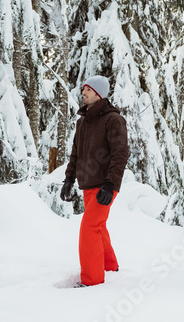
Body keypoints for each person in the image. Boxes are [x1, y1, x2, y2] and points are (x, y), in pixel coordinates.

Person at [60, 75, 129, 288]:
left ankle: (92, 280)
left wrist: (111, 184)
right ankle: (110, 266)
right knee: (97, 226)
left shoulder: (113, 120)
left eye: (88, 90)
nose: (83, 93)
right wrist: (69, 179)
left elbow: (120, 154)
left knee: (89, 228)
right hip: (88, 184)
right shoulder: (83, 122)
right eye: (83, 89)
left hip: (105, 185)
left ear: (98, 94)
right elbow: (75, 154)